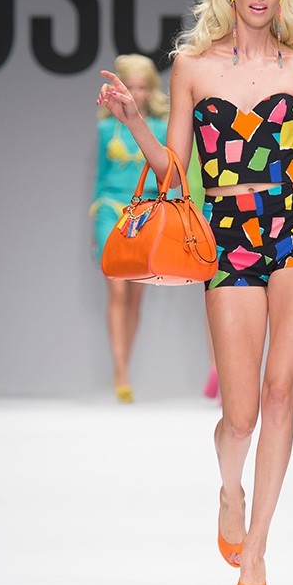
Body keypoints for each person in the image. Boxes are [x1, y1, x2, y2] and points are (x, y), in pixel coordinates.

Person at [97, 0, 293, 585]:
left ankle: (257, 551)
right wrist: (133, 122)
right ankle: (230, 490)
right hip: (230, 235)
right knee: (240, 415)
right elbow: (175, 175)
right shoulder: (192, 68)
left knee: (281, 392)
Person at [91, 53, 204, 403]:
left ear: (151, 89)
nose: (137, 93)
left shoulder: (159, 128)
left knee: (136, 295)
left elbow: (170, 172)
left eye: (142, 87)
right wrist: (95, 221)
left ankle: (123, 364)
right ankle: (121, 370)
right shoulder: (105, 129)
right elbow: (100, 176)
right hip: (111, 210)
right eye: (131, 86)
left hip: (146, 214)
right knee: (116, 291)